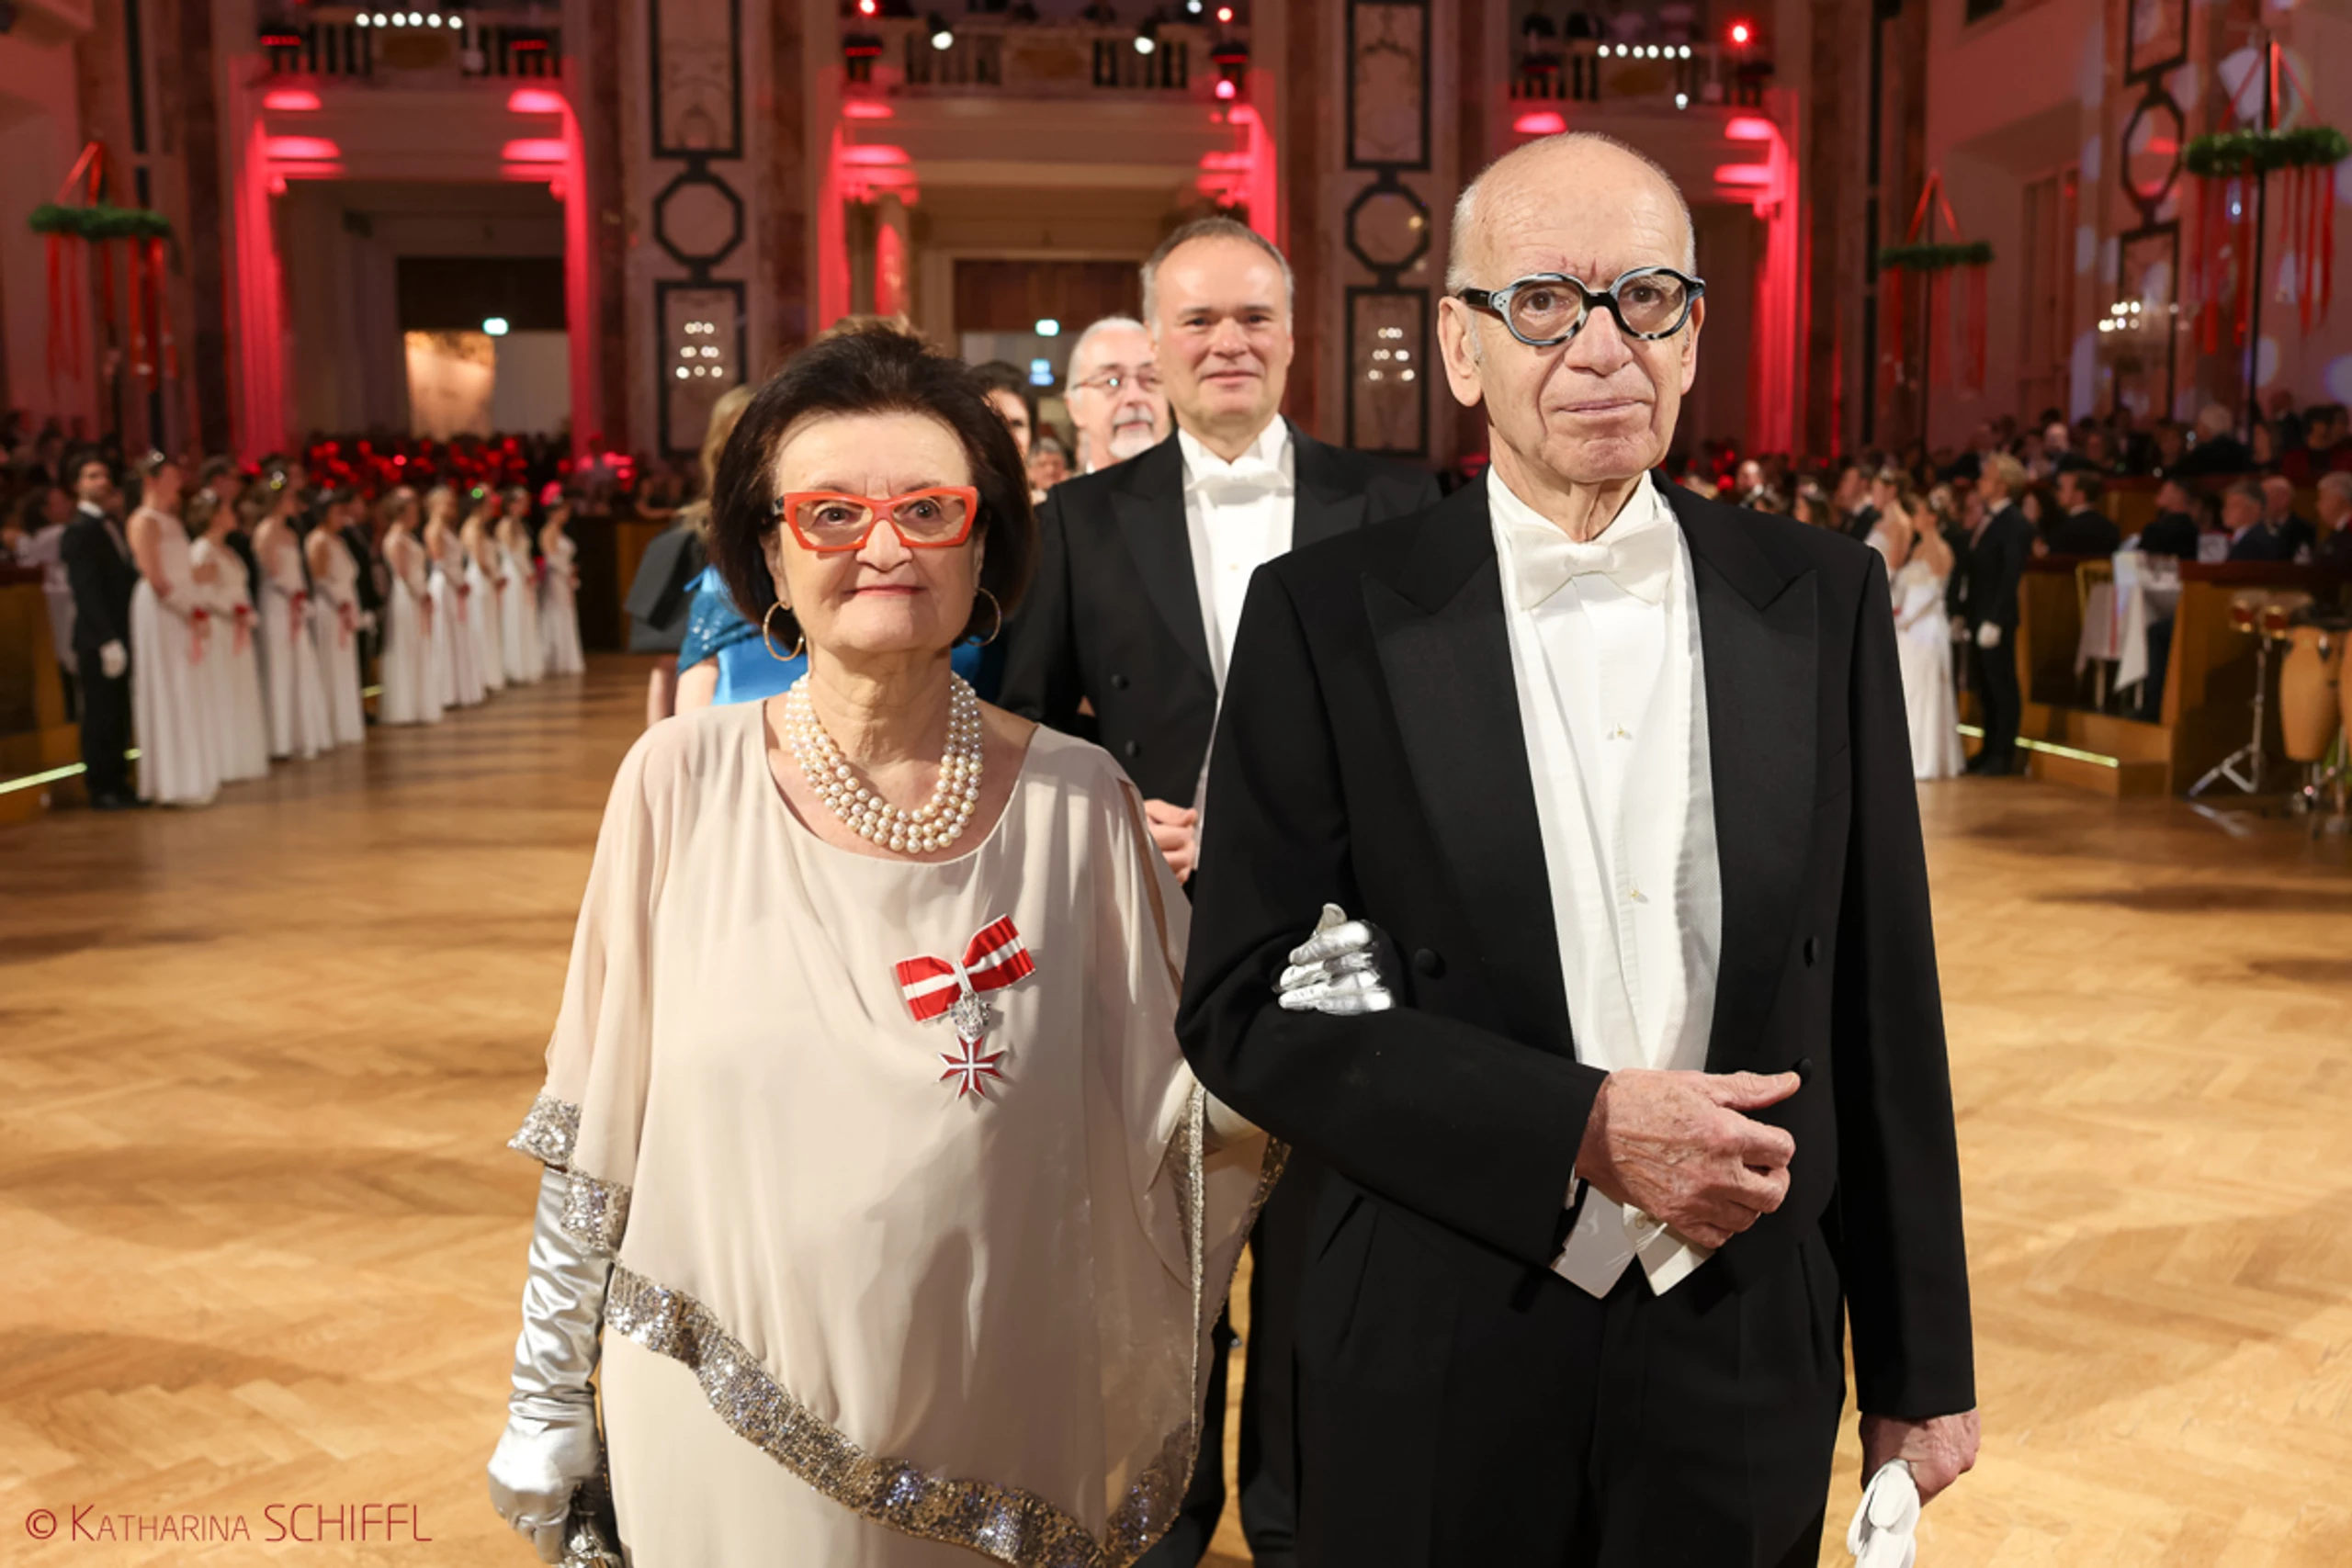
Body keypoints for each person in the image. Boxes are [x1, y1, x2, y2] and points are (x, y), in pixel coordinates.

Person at [1178, 134, 1977, 1568]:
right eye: (1545, 302)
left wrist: (1922, 1363)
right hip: (1439, 1323)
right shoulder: (1323, 614)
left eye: (1646, 299)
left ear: (1692, 335)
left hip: (1741, 1336)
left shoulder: (1823, 597)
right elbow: (1246, 1000)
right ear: (1461, 346)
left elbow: (1883, 998)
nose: (1604, 346)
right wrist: (1579, 1124)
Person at [484, 324, 1273, 1568]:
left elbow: (1171, 1126)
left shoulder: (1080, 802)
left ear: (985, 544)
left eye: (928, 509)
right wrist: (542, 1397)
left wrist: (1285, 1026)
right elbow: (595, 1127)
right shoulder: (675, 783)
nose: (886, 546)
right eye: (833, 513)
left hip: (995, 1407)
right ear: (769, 552)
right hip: (713, 1413)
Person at [1001, 218, 1442, 1566]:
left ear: (1294, 336)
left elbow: (1453, 730)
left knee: (1321, 1269)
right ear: (1156, 343)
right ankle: (1163, 1525)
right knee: (1165, 1265)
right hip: (1153, 955)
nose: (1228, 341)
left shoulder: (1399, 500)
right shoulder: (1079, 522)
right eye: (1198, 320)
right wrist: (1111, 810)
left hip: (1343, 957)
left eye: (1254, 315)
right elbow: (1022, 732)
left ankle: (1304, 1532)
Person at [125, 452, 221, 807]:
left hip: (181, 606)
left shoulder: (171, 521)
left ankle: (191, 774)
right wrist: (188, 608)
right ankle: (171, 780)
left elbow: (178, 569)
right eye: (171, 477)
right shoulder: (144, 521)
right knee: (171, 684)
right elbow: (155, 576)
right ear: (151, 480)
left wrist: (199, 582)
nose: (178, 483)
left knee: (188, 685)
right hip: (162, 609)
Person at [59, 455, 141, 807]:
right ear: (77, 485)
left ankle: (119, 782)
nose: (101, 481)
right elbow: (86, 590)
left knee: (119, 711)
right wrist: (106, 639)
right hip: (98, 638)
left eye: (104, 475)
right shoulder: (78, 531)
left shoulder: (112, 524)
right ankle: (101, 787)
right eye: (92, 476)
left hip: (121, 631)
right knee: (100, 713)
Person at [187, 491, 272, 783]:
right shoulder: (203, 551)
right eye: (227, 510)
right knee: (222, 689)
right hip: (220, 630)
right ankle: (223, 760)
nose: (233, 515)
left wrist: (244, 610)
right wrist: (234, 610)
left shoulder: (227, 550)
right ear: (213, 517)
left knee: (239, 688)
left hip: (236, 627)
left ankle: (242, 757)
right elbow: (203, 593)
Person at [253, 480, 334, 761]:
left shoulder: (290, 532)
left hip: (295, 602)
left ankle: (302, 734)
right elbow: (271, 571)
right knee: (280, 665)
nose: (293, 503)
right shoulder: (265, 531)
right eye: (288, 498)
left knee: (300, 663)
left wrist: (301, 597)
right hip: (277, 603)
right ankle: (280, 739)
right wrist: (292, 594)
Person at [1887, 486, 1963, 779]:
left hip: (1925, 627)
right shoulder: (1918, 548)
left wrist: (1906, 618)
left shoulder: (1941, 550)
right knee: (1910, 689)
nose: (1915, 518)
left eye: (1919, 513)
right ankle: (1910, 753)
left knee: (1925, 692)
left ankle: (1927, 757)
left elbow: (1933, 593)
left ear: (1932, 517)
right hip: (1909, 627)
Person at [1963, 454, 2033, 775]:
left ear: (2003, 485)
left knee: (2001, 686)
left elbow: (2010, 575)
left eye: (1987, 477)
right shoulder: (1990, 519)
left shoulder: (2014, 523)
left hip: (1996, 618)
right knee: (1984, 687)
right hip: (1978, 613)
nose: (1980, 482)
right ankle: (1989, 748)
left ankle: (2003, 753)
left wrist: (1994, 619)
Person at [1062, 315, 1170, 475]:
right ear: (1075, 408)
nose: (1134, 397)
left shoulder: (1201, 488)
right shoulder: (1063, 492)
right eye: (1112, 382)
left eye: (1150, 379)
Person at [379, 488, 446, 727]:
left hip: (416, 594)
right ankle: (405, 706)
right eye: (412, 511)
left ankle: (419, 701)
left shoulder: (407, 537)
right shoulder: (396, 539)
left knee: (419, 645)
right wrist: (422, 594)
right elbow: (403, 574)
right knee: (408, 645)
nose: (416, 515)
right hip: (407, 598)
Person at [307, 495, 369, 748]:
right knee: (332, 664)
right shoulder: (318, 540)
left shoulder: (338, 540)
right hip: (331, 609)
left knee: (346, 665)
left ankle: (347, 723)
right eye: (336, 513)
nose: (342, 518)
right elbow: (319, 578)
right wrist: (340, 603)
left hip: (346, 606)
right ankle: (332, 725)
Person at [13, 482, 76, 705]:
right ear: (45, 511)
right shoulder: (57, 534)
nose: (69, 504)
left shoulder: (33, 538)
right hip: (58, 611)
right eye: (61, 502)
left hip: (52, 614)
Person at [425, 485, 486, 709]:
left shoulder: (448, 529)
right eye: (447, 504)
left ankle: (460, 687)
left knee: (458, 633)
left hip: (456, 584)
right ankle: (446, 691)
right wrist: (458, 582)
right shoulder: (434, 530)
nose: (452, 508)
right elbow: (439, 562)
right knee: (446, 633)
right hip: (445, 585)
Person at [461, 490, 510, 694]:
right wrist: (496, 577)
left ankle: (491, 674)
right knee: (481, 626)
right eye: (489, 506)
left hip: (487, 581)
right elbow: (480, 561)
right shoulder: (473, 528)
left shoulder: (481, 527)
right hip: (480, 581)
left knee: (489, 626)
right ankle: (483, 676)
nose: (492, 510)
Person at [497, 486, 547, 685]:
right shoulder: (505, 525)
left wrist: (529, 572)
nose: (525, 506)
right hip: (513, 574)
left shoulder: (520, 525)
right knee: (514, 616)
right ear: (510, 505)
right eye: (520, 502)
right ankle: (514, 667)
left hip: (524, 573)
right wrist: (526, 572)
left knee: (525, 615)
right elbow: (511, 553)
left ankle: (526, 664)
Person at [538, 499, 586, 676]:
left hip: (564, 578)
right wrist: (568, 571)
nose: (565, 515)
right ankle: (556, 658)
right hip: (556, 579)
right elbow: (551, 559)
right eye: (562, 511)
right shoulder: (548, 531)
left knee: (566, 613)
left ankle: (566, 659)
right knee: (556, 613)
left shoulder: (559, 531)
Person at [2048, 468, 2120, 555]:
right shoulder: (2111, 528)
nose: (2056, 492)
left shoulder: (2064, 529)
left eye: (2061, 488)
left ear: (2080, 495)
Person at [2222, 478, 2296, 561]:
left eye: (2234, 506)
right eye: (2226, 506)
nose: (2225, 511)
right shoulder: (2241, 539)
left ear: (2255, 509)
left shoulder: (2258, 543)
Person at [2132, 479, 2200, 558]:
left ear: (2179, 495)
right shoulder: (2193, 528)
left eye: (2163, 492)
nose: (2157, 496)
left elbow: (2141, 558)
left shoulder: (2155, 530)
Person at [2315, 472, 2352, 564]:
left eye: (2322, 498)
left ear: (2337, 499)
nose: (2318, 505)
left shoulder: (2349, 532)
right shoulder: (2339, 532)